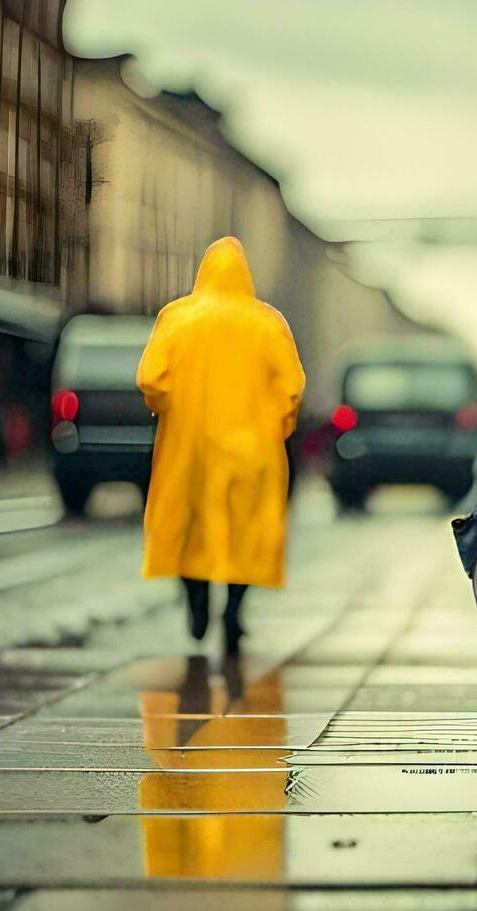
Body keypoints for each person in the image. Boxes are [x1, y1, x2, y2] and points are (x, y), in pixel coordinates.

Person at [137, 236, 306, 655]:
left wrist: (168, 409)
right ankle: (233, 610)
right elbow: (292, 386)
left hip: (188, 448)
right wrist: (280, 427)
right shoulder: (267, 322)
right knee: (245, 536)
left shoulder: (177, 317)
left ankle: (197, 605)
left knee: (189, 530)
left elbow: (150, 378)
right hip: (252, 450)